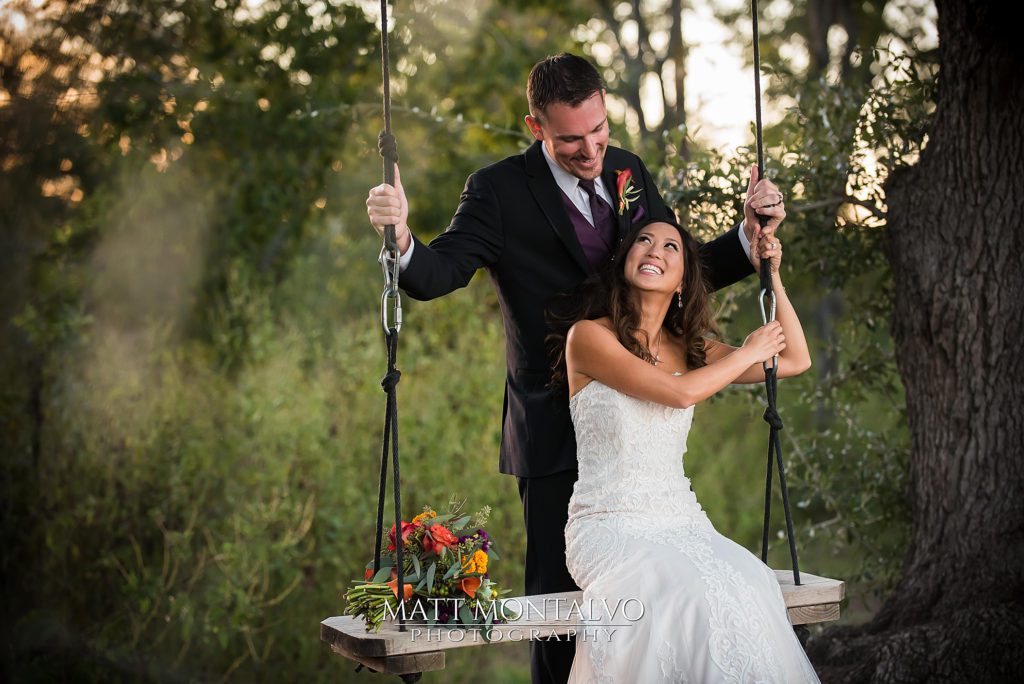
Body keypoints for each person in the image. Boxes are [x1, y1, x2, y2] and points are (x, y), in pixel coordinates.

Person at [365, 53, 787, 683]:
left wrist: (749, 238)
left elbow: (678, 267)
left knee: (654, 608)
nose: (591, 152)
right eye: (570, 140)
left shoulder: (627, 169)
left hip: (631, 428)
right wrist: (400, 237)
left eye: (599, 131)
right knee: (560, 616)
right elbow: (438, 273)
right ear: (535, 126)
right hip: (554, 431)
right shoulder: (498, 191)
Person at [551, 216, 817, 683]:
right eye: (644, 241)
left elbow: (795, 358)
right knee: (684, 592)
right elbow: (679, 394)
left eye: (670, 246)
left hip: (683, 522)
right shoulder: (590, 337)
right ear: (625, 262)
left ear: (682, 282)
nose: (654, 250)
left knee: (749, 582)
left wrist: (771, 273)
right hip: (609, 525)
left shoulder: (691, 349)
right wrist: (745, 352)